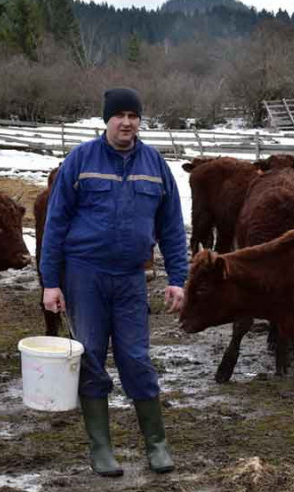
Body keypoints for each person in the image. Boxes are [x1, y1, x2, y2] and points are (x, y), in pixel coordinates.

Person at [40, 87, 187, 477]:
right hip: (84, 274)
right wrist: (50, 281)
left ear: (140, 120)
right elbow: (55, 223)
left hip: (130, 277)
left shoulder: (154, 164)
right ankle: (101, 450)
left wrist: (178, 278)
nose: (126, 122)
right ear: (106, 119)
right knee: (89, 355)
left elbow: (171, 225)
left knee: (136, 357)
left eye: (133, 116)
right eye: (119, 115)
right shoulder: (81, 160)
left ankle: (157, 444)